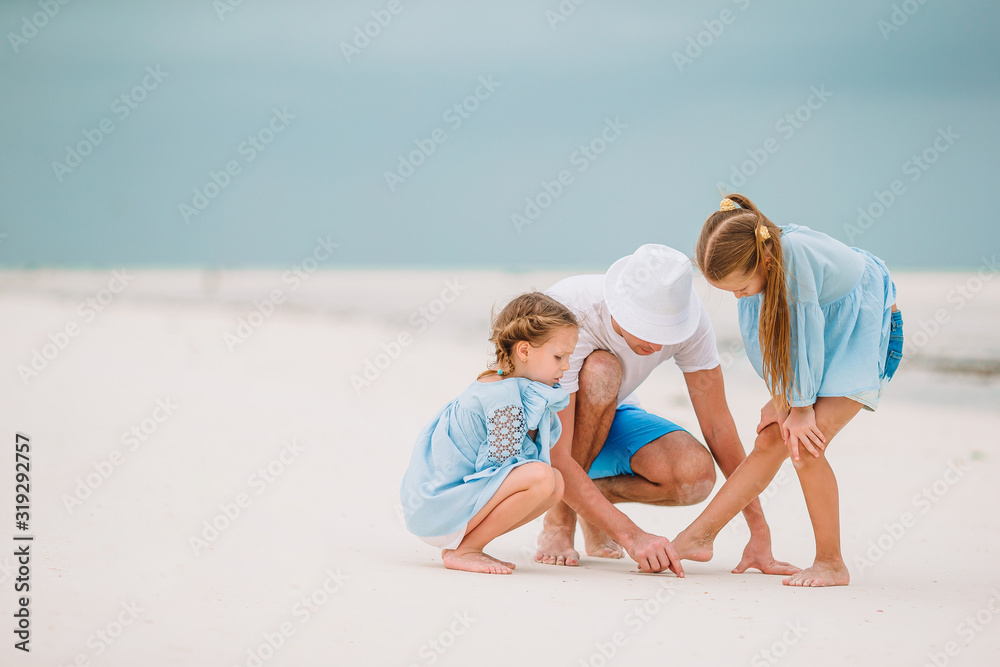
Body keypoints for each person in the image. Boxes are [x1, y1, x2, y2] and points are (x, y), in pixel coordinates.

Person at [672, 194, 904, 587]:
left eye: (741, 286)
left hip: (863, 331)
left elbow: (806, 333)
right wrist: (782, 398)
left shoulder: (794, 262)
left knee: (804, 445)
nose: (737, 296)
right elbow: (767, 339)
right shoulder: (762, 272)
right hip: (821, 338)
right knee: (770, 441)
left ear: (763, 260)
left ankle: (831, 563)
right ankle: (699, 536)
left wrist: (799, 407)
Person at [536, 244, 795, 576]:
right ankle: (560, 517)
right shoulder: (572, 312)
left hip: (609, 417)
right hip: (542, 431)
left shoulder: (689, 317)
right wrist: (632, 536)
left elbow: (718, 427)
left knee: (695, 476)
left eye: (666, 333)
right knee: (603, 369)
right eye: (648, 330)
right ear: (619, 308)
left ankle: (590, 504)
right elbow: (558, 453)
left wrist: (758, 531)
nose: (657, 346)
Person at [400, 292, 579, 575]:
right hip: (440, 511)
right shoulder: (502, 397)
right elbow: (499, 465)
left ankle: (468, 545)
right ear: (524, 351)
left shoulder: (512, 385)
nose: (566, 366)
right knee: (544, 477)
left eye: (569, 357)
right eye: (559, 356)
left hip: (452, 509)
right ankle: (466, 550)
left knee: (555, 484)